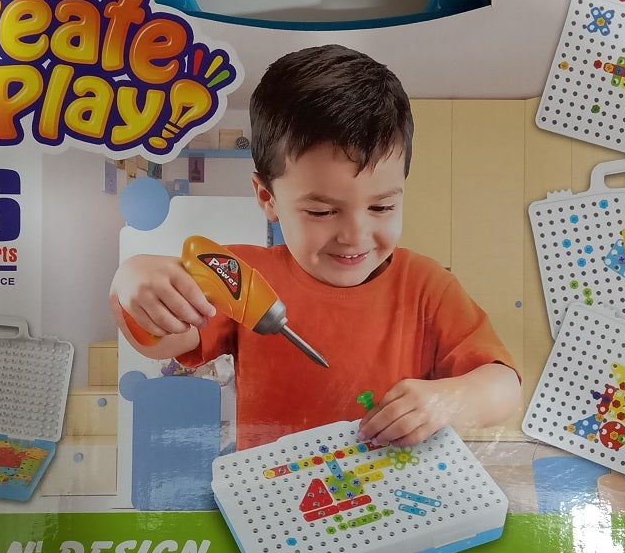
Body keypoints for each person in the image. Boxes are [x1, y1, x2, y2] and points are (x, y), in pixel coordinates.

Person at [110, 44, 520, 450]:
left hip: (398, 492)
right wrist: (131, 281)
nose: (355, 236)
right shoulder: (243, 276)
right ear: (267, 198)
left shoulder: (427, 287)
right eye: (322, 211)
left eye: (382, 206)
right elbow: (163, 341)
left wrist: (453, 399)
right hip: (273, 490)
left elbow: (503, 385)